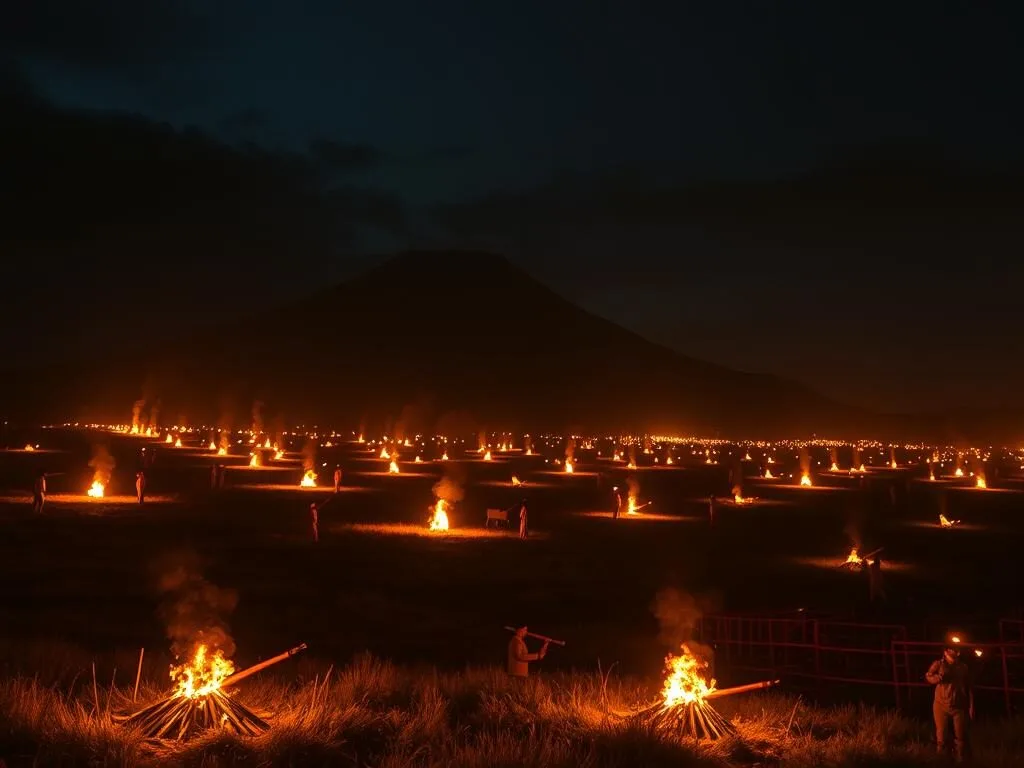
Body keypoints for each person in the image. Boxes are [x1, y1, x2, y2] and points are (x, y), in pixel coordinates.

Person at [926, 642, 974, 761]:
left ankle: (961, 760)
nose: (953, 652)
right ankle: (941, 760)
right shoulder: (938, 664)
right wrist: (938, 678)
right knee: (941, 735)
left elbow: (969, 688)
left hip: (958, 706)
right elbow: (928, 676)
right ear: (946, 652)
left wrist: (971, 707)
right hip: (941, 705)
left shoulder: (963, 668)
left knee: (960, 736)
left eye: (955, 650)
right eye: (950, 650)